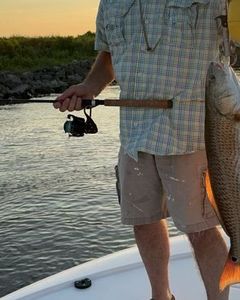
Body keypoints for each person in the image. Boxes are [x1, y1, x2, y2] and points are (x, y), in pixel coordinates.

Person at [53, 1, 230, 299]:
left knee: (201, 228)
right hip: (134, 133)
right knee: (143, 221)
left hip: (192, 131)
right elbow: (109, 55)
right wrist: (89, 87)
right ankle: (160, 296)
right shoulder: (110, 2)